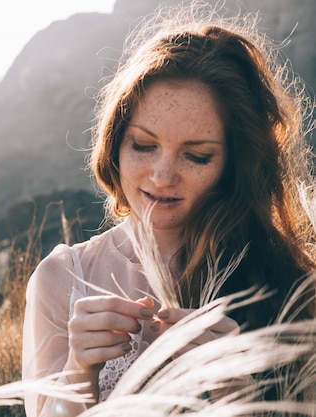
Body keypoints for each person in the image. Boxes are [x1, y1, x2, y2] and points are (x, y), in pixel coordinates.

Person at [22, 3, 316, 416]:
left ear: (235, 164)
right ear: (115, 143)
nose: (162, 176)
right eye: (143, 145)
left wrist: (239, 397)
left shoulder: (291, 284)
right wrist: (78, 373)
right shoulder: (63, 280)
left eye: (196, 156)